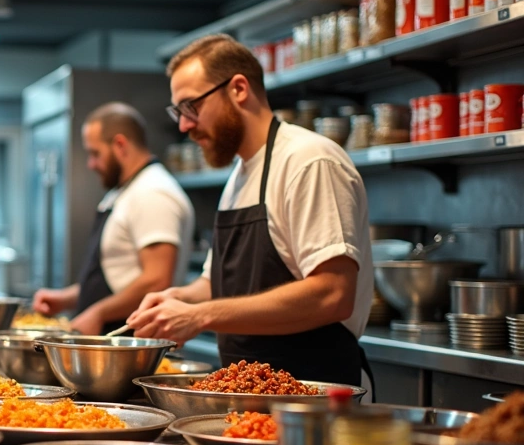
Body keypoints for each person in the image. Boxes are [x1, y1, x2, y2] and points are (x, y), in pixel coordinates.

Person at [127, 34, 373, 387]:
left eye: (190, 106)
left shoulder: (308, 161)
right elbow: (218, 284)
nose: (184, 126)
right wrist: (178, 299)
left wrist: (199, 316)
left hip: (312, 397)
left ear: (239, 89)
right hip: (250, 398)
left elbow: (333, 293)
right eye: (178, 112)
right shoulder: (239, 177)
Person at [32, 103, 194, 335]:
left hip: (135, 344)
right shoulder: (125, 192)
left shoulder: (153, 193)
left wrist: (98, 313)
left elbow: (156, 280)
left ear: (120, 145)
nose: (91, 164)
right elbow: (119, 278)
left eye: (95, 153)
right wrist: (65, 299)